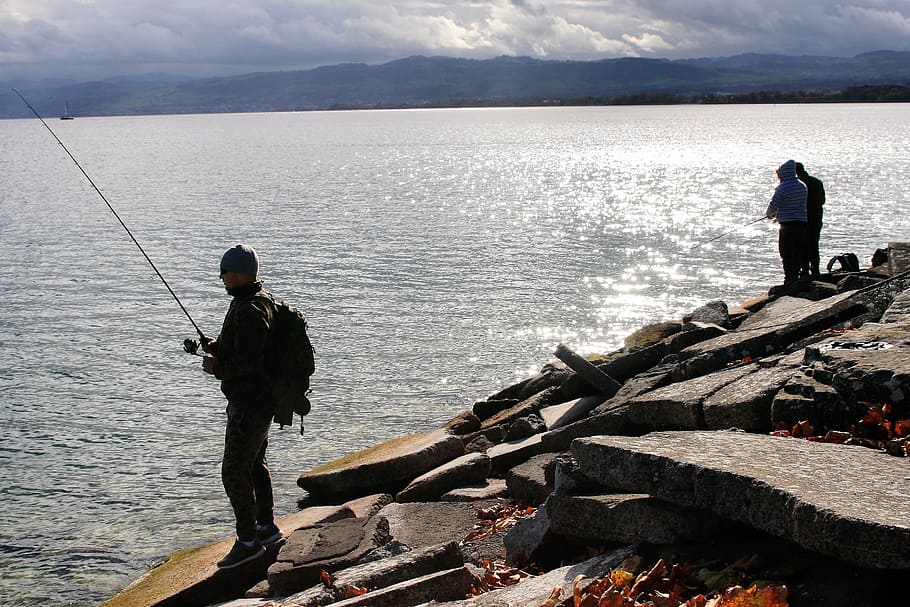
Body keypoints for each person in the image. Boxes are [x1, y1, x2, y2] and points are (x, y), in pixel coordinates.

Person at [200, 243, 282, 569]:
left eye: (225, 271)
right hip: (260, 402)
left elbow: (251, 361)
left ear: (240, 273)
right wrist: (217, 348)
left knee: (233, 471)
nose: (221, 276)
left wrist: (216, 367)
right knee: (255, 465)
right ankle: (267, 527)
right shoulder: (256, 301)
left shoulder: (249, 310)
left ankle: (248, 542)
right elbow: (246, 350)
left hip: (249, 405)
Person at [765, 159, 808, 283]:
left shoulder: (782, 187)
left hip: (787, 225)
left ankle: (789, 278)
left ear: (785, 173)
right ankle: (798, 274)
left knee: (786, 251)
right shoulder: (802, 186)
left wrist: (770, 215)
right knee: (798, 250)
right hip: (802, 223)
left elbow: (773, 205)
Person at [795, 162, 826, 276]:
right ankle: (815, 269)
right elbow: (823, 200)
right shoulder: (817, 182)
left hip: (803, 219)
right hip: (817, 217)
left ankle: (804, 270)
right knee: (814, 244)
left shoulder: (799, 184)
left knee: (802, 245)